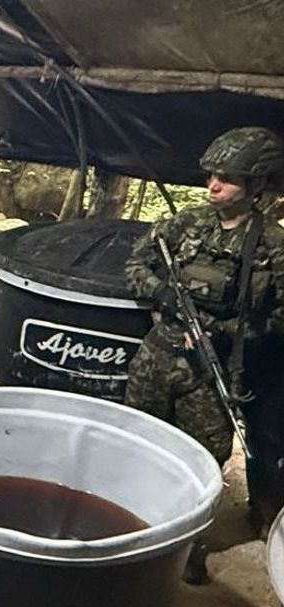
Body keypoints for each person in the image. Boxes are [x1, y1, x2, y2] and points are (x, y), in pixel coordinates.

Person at [124, 126, 284, 556]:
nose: (212, 185)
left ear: (255, 186)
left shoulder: (272, 244)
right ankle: (127, 528)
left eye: (226, 178)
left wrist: (228, 332)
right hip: (159, 356)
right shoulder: (185, 223)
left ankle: (185, 548)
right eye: (211, 175)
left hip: (214, 372)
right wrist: (162, 296)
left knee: (201, 462)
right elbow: (137, 264)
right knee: (134, 441)